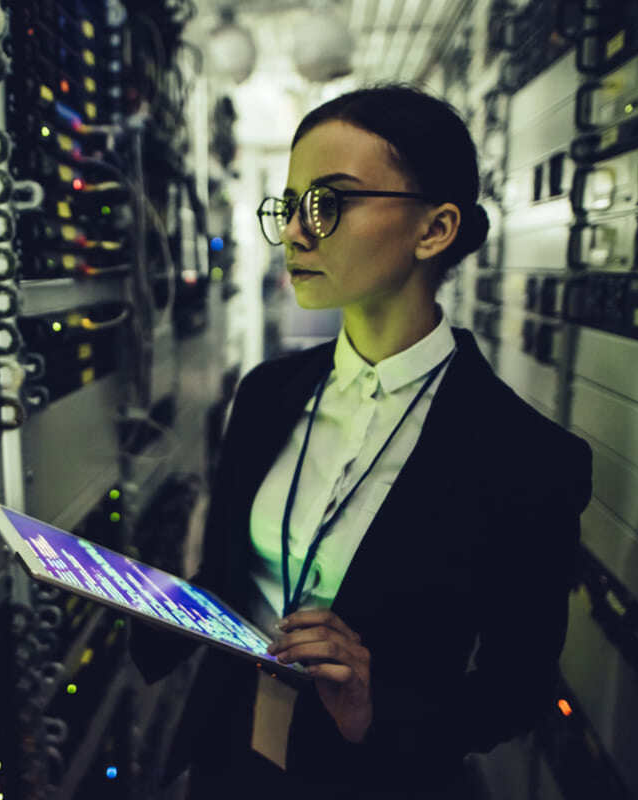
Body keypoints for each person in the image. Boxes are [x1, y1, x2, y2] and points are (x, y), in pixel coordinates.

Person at [131, 84, 593, 798]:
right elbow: (233, 576)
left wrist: (375, 713)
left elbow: (517, 691)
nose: (295, 233)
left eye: (329, 203)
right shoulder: (267, 394)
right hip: (228, 761)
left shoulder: (526, 458)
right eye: (290, 206)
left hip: (375, 778)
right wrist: (140, 596)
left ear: (434, 230)